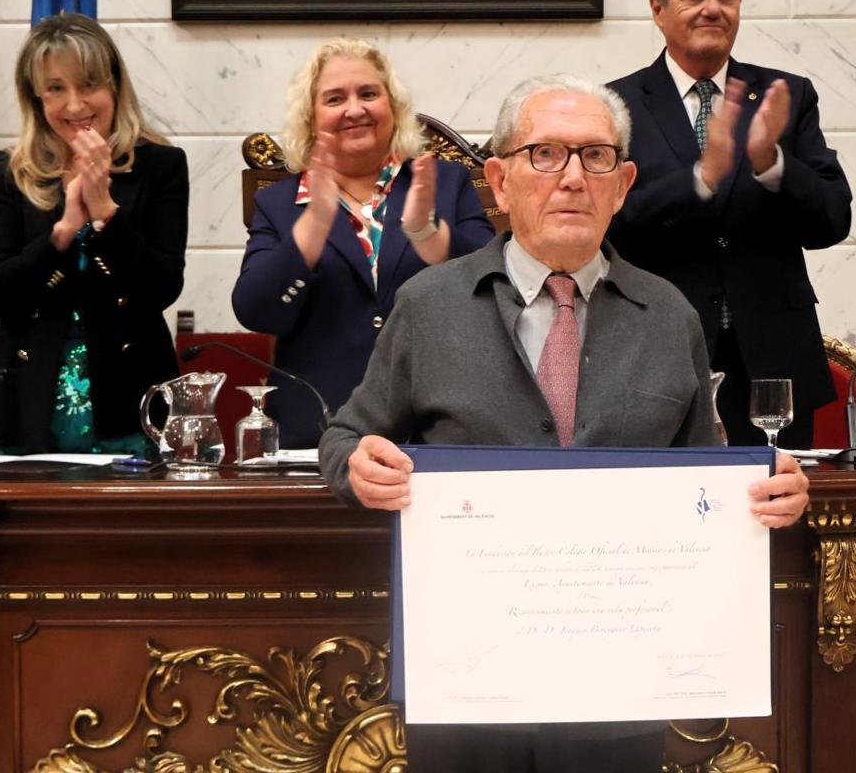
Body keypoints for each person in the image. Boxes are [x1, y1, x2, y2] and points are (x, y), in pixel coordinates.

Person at [319, 74, 809, 773]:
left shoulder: (669, 315)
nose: (573, 178)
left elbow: (710, 474)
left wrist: (768, 490)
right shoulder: (429, 306)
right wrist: (358, 466)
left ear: (623, 182)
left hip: (617, 697)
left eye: (596, 157)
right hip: (468, 692)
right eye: (545, 154)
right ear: (499, 177)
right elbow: (342, 439)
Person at [607, 0, 852, 449]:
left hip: (770, 364)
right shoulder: (617, 104)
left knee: (775, 521)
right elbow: (609, 225)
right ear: (658, 8)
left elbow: (832, 221)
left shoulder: (788, 95)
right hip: (656, 357)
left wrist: (772, 163)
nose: (713, 8)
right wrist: (701, 178)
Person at [232, 38, 495, 448]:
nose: (355, 109)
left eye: (369, 94)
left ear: (393, 107)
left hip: (437, 430)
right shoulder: (279, 203)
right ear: (310, 117)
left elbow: (497, 293)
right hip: (319, 434)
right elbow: (256, 312)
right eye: (335, 98)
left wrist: (432, 239)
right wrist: (311, 231)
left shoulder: (444, 183)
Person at [0, 13, 187, 455]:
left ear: (114, 86)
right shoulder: (9, 171)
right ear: (36, 97)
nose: (74, 105)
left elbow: (162, 288)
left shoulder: (160, 166)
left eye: (88, 83)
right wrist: (65, 230)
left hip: (130, 397)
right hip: (27, 398)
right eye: (55, 88)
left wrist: (106, 213)